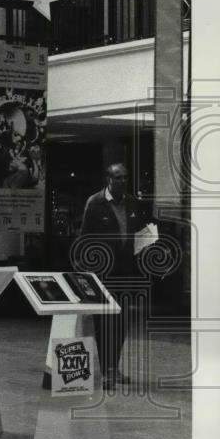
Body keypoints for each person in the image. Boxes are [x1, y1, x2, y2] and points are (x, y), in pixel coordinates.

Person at [79, 162, 147, 388]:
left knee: (122, 321)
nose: (122, 181)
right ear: (108, 179)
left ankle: (114, 367)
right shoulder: (95, 203)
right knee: (104, 322)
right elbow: (85, 239)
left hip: (126, 272)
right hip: (103, 273)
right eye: (117, 177)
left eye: (125, 177)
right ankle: (106, 370)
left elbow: (138, 232)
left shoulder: (132, 203)